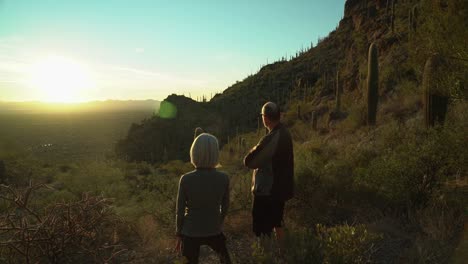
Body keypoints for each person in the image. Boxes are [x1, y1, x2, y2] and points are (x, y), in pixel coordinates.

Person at [175, 133, 231, 264]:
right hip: (214, 229)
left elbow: (180, 210)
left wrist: (179, 233)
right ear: (215, 153)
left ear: (194, 152)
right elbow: (226, 205)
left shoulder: (186, 179)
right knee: (225, 260)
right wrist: (219, 221)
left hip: (190, 231)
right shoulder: (224, 178)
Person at [244, 102, 294, 239]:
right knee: (277, 222)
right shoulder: (285, 133)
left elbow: (250, 162)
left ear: (265, 118)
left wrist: (254, 148)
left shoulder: (273, 137)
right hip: (280, 188)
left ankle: (266, 256)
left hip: (267, 191)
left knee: (261, 230)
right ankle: (282, 254)